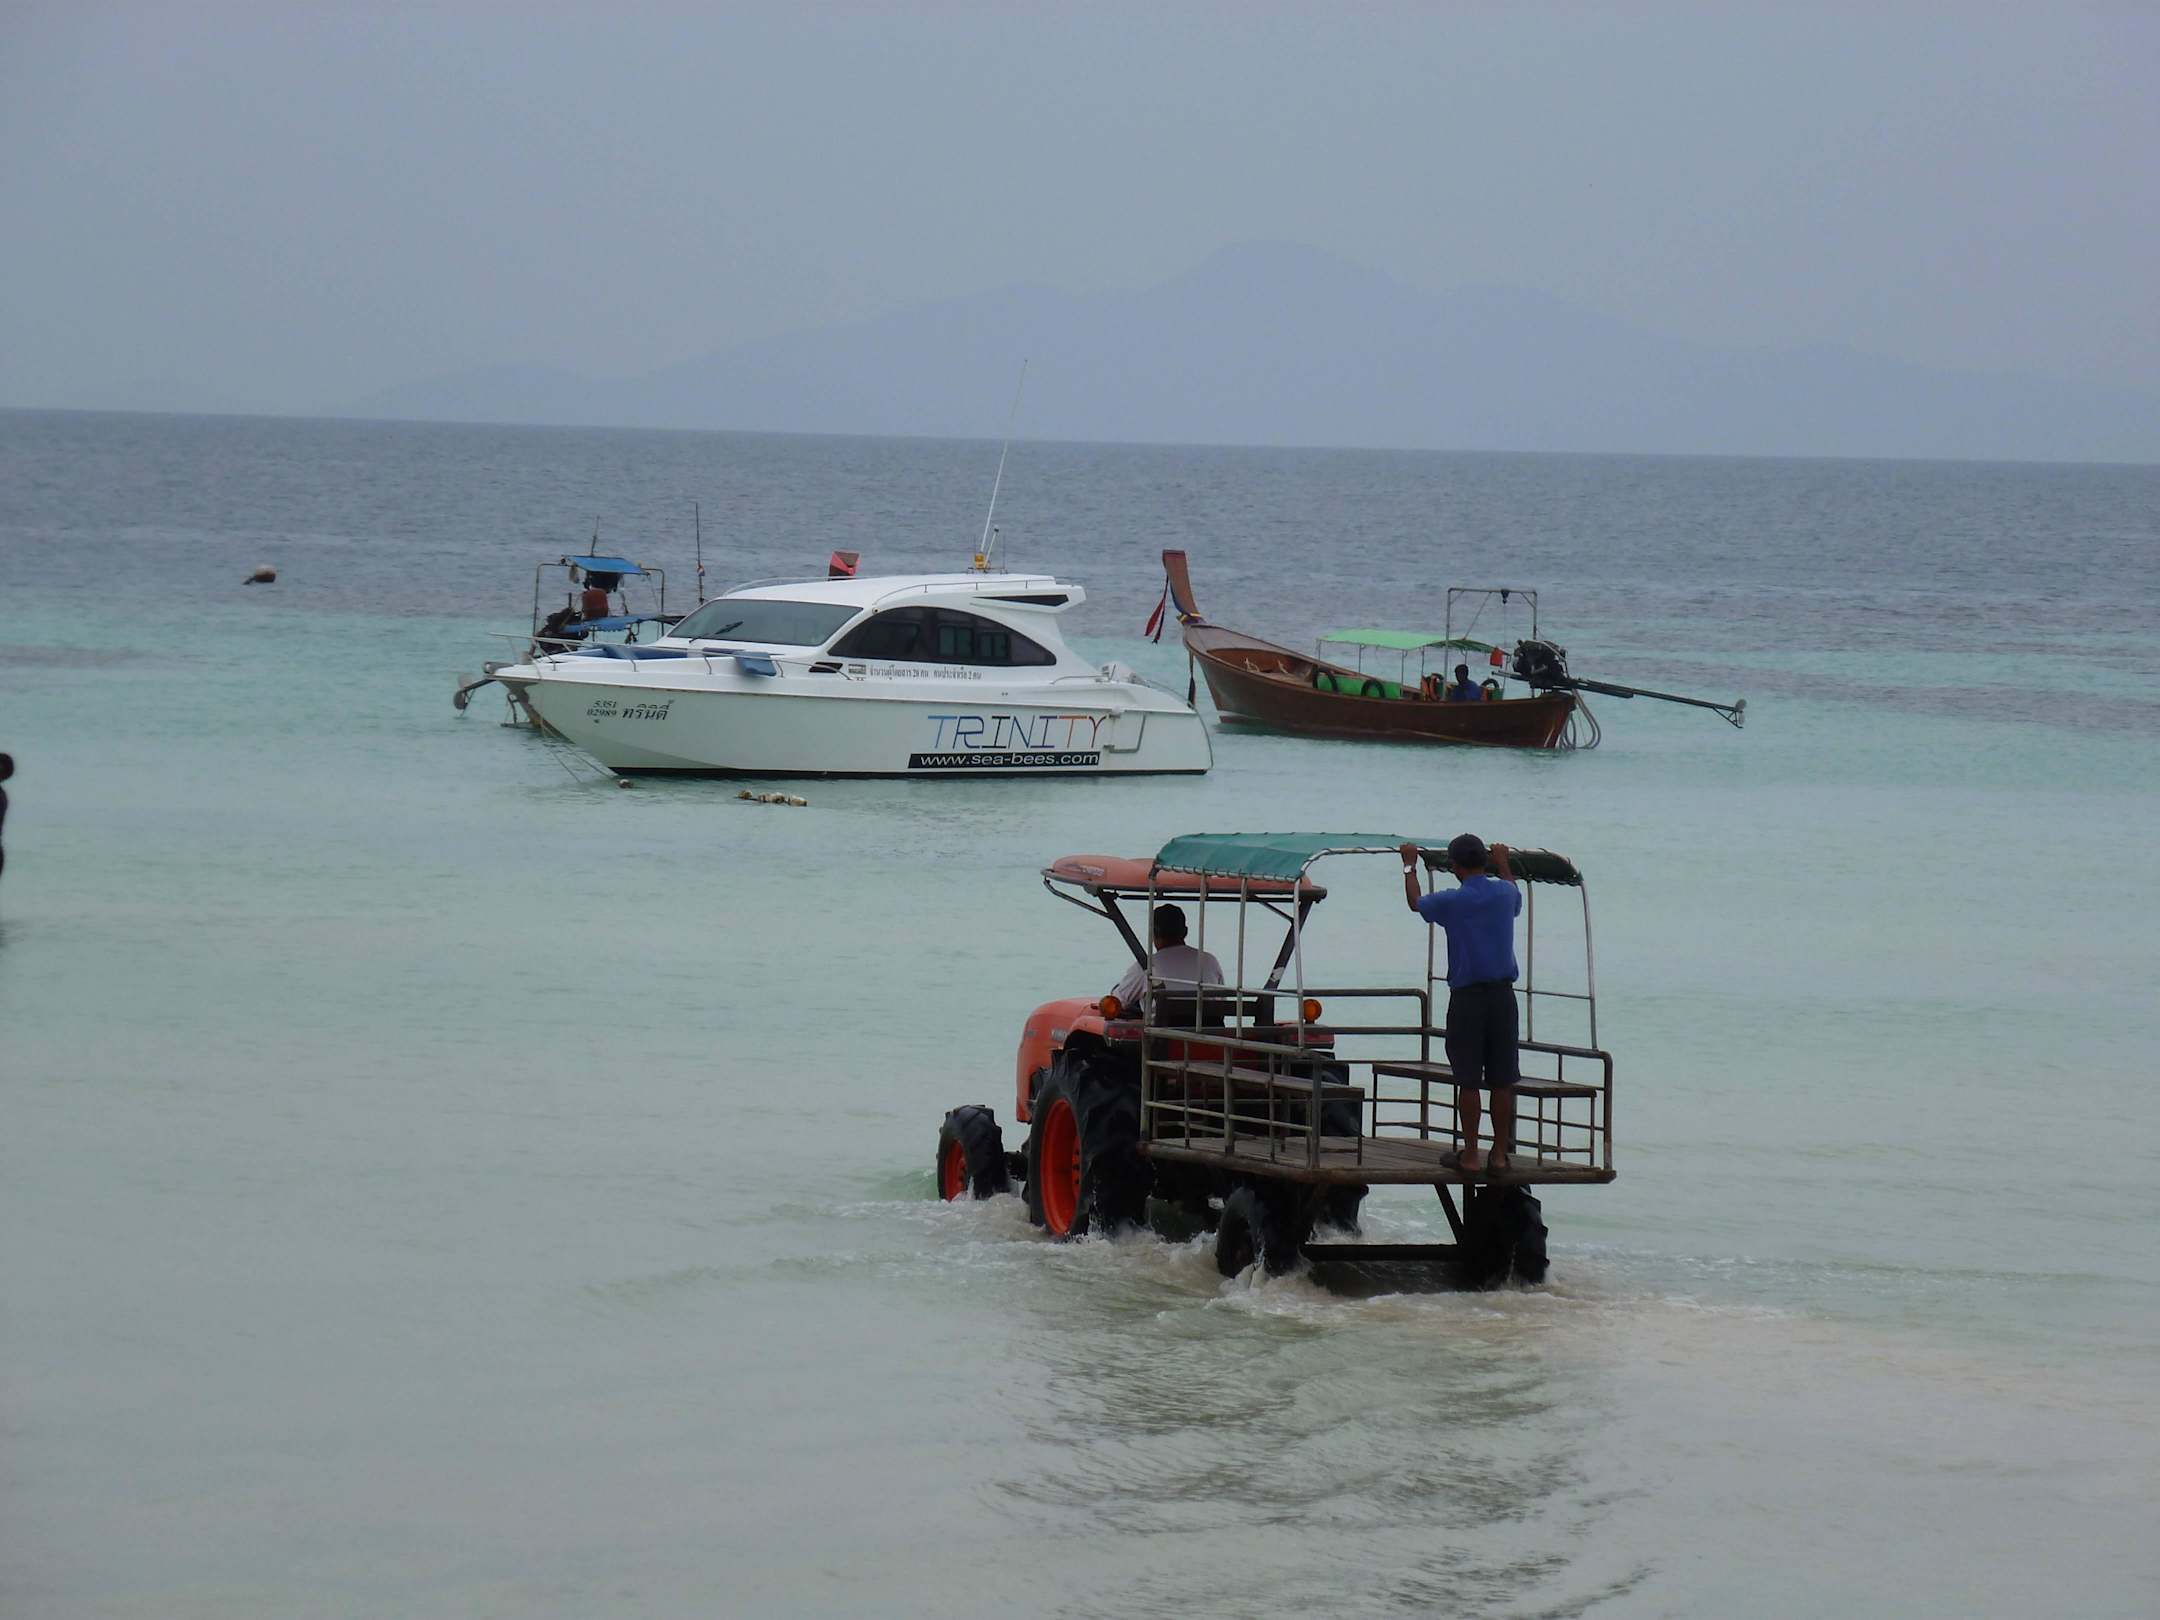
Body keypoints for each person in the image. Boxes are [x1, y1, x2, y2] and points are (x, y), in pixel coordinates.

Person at [1399, 834, 1521, 1173]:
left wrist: (1409, 865)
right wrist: (1504, 862)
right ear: (1485, 860)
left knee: (1468, 1080)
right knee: (1502, 1080)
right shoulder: (1504, 893)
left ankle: (1470, 1154)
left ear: (1454, 867)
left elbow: (1415, 902)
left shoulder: (1453, 901)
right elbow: (1514, 893)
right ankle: (1499, 1154)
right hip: (1503, 996)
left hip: (1468, 998)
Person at [1110, 903, 1225, 1016]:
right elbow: (1221, 1001)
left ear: (1153, 933)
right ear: (1185, 932)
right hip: (1210, 1026)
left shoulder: (1146, 966)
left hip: (1166, 1028)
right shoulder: (1210, 961)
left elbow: (1117, 1001)